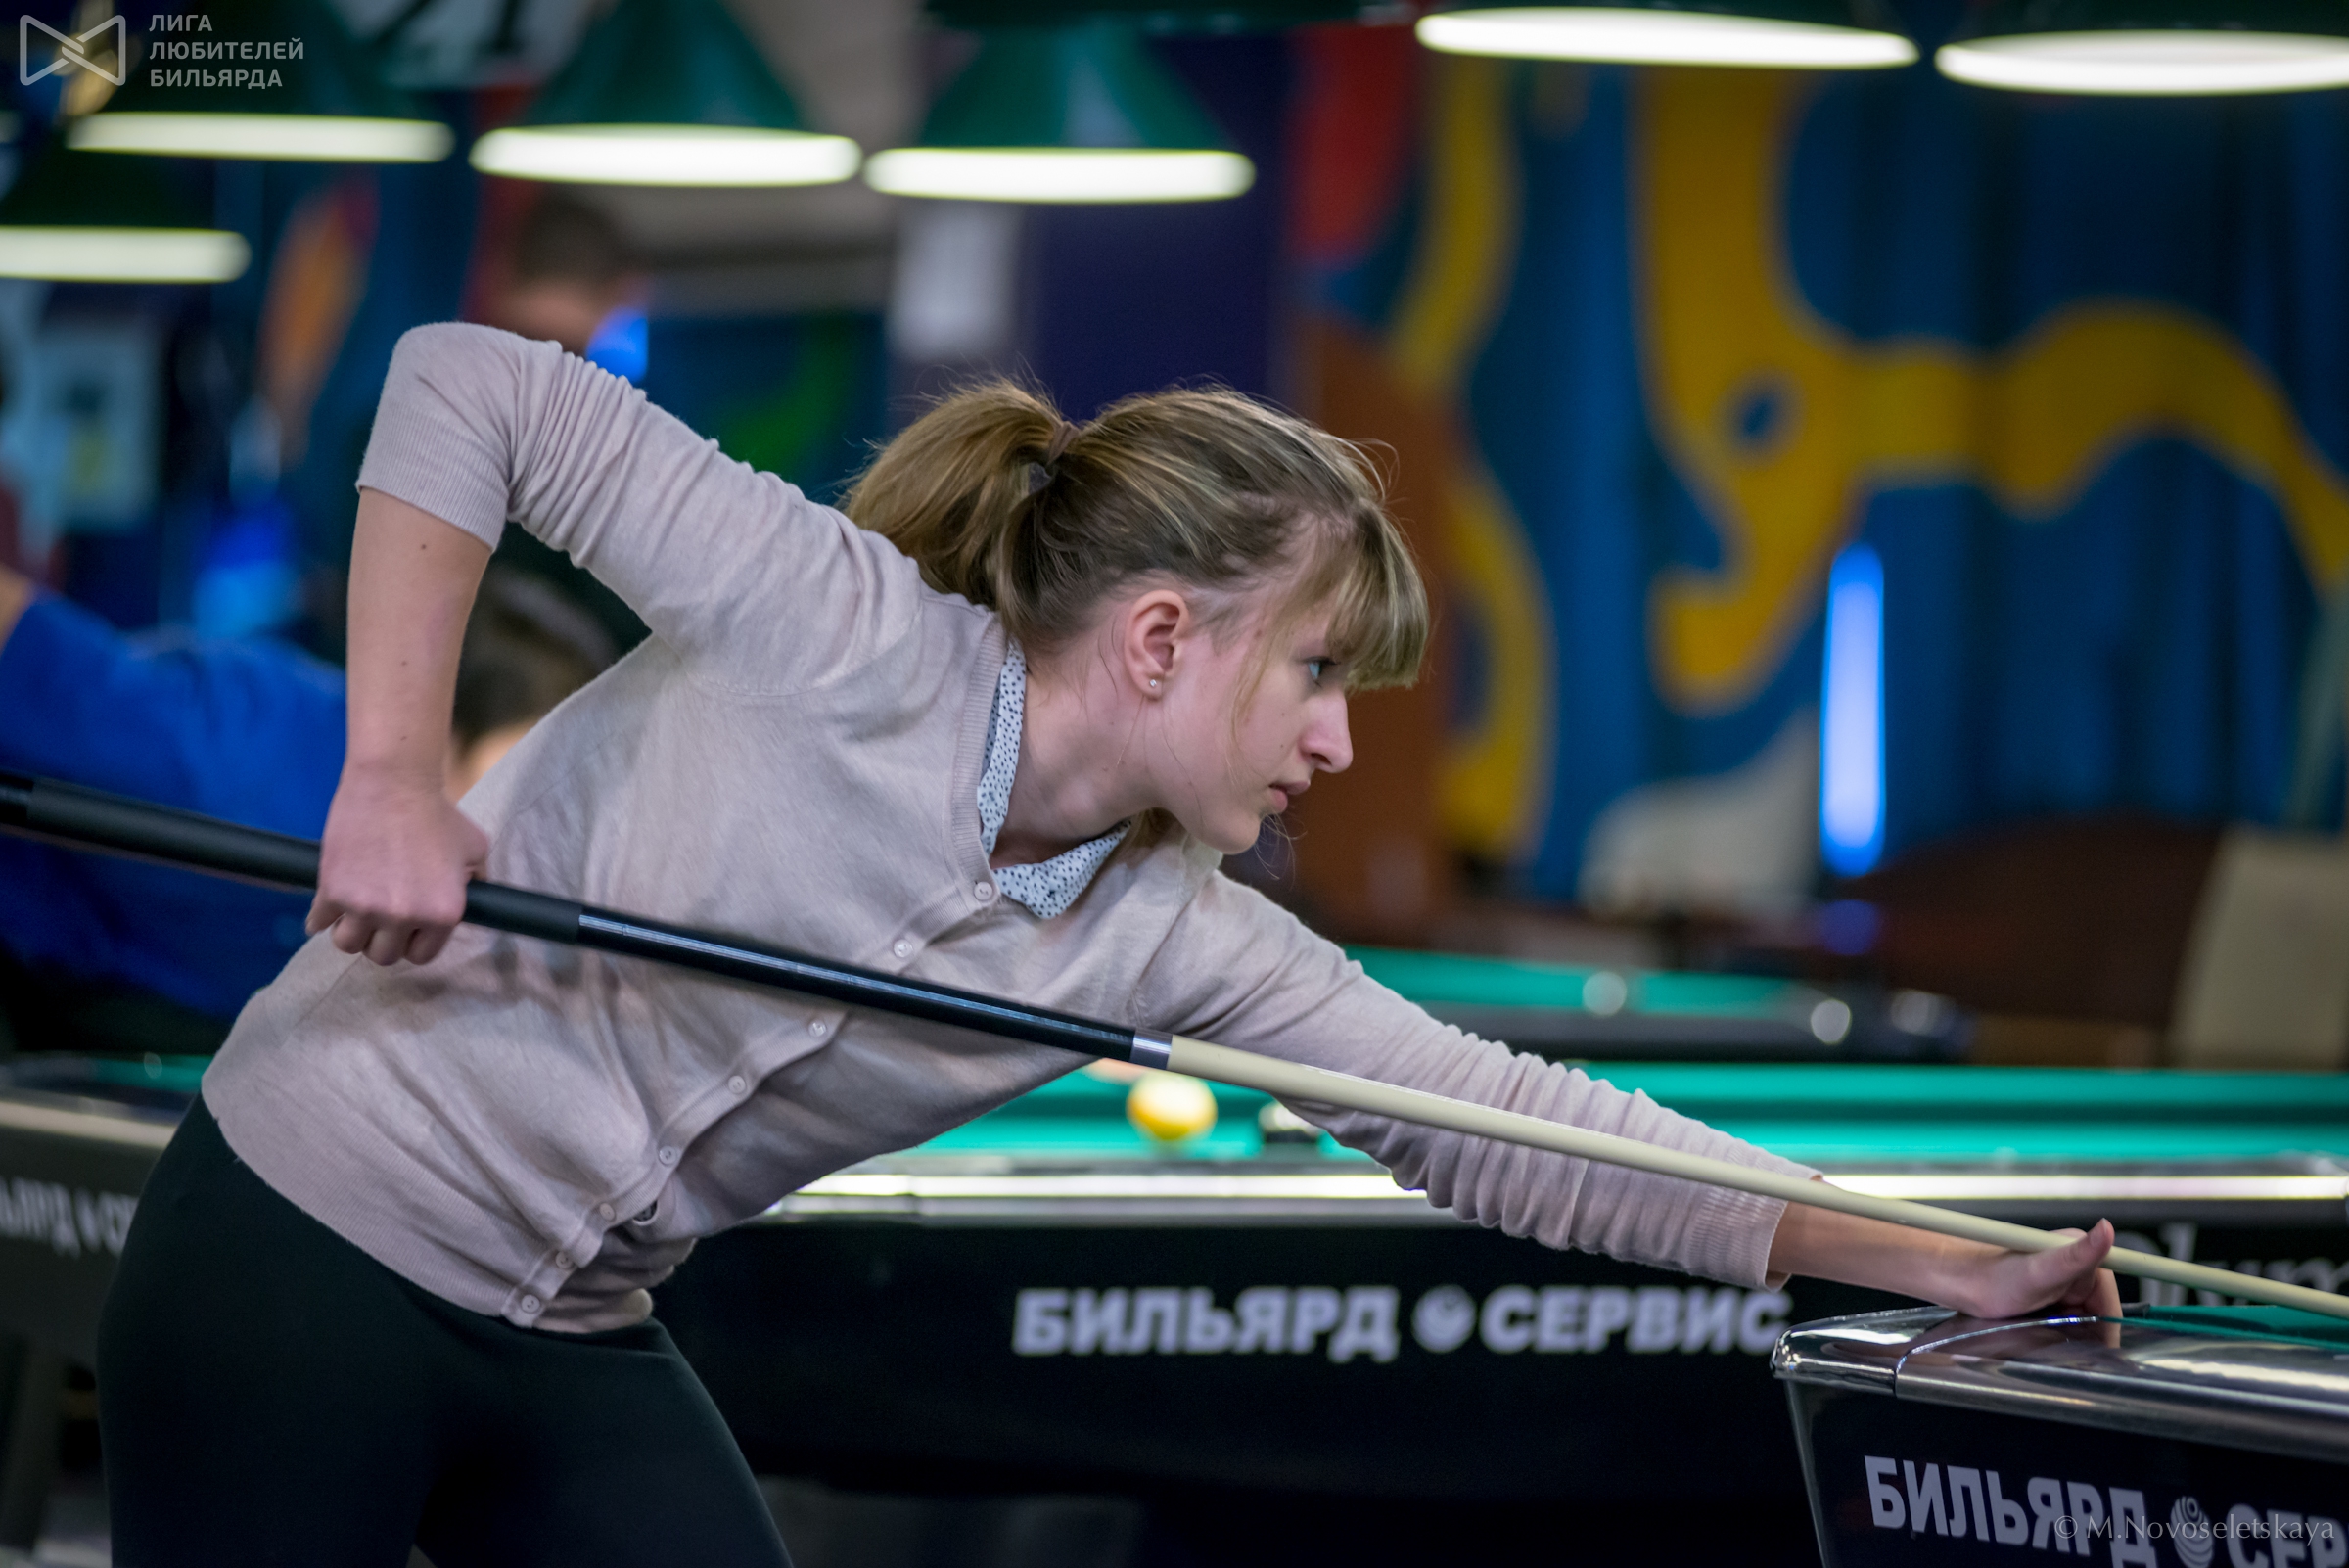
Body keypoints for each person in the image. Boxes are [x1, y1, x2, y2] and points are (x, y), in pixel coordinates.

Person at [95, 323, 2121, 1567]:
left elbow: (1517, 1125)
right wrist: (391, 775)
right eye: (1316, 673)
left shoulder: (1174, 938)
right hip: (305, 1240)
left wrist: (1940, 1258)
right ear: (1161, 637)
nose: (1338, 741)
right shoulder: (833, 622)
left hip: (570, 1326)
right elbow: (469, 387)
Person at [0, 560, 612, 1054]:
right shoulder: (232, 758)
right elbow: (19, 638)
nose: (532, 856)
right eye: (522, 798)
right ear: (437, 736)